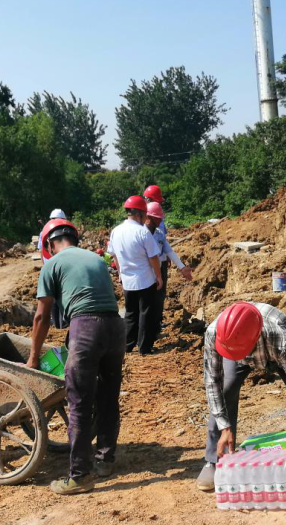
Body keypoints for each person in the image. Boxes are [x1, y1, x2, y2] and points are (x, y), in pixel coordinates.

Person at [26, 218, 125, 495]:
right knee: (108, 397)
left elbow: (41, 316)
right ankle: (105, 460)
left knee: (79, 402)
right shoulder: (96, 259)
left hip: (86, 328)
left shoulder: (51, 265)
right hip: (116, 327)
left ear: (49, 244)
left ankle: (80, 476)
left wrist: (33, 358)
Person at [197, 301, 286, 493]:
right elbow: (213, 382)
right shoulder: (215, 334)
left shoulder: (280, 339)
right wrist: (225, 427)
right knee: (226, 389)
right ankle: (214, 459)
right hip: (235, 344)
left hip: (273, 346)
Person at [107, 196, 163, 355]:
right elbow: (153, 257)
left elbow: (114, 255)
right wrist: (159, 276)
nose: (146, 218)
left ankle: (127, 345)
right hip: (145, 280)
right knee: (146, 313)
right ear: (139, 214)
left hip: (127, 281)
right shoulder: (142, 232)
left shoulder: (116, 231)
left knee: (130, 313)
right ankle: (144, 348)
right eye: (145, 214)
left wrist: (120, 273)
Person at [145, 200, 193, 346]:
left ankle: (154, 330)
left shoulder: (159, 234)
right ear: (149, 218)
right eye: (158, 218)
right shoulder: (141, 233)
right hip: (145, 272)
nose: (160, 220)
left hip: (159, 269)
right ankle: (143, 335)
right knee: (146, 304)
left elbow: (169, 250)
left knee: (158, 300)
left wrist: (182, 267)